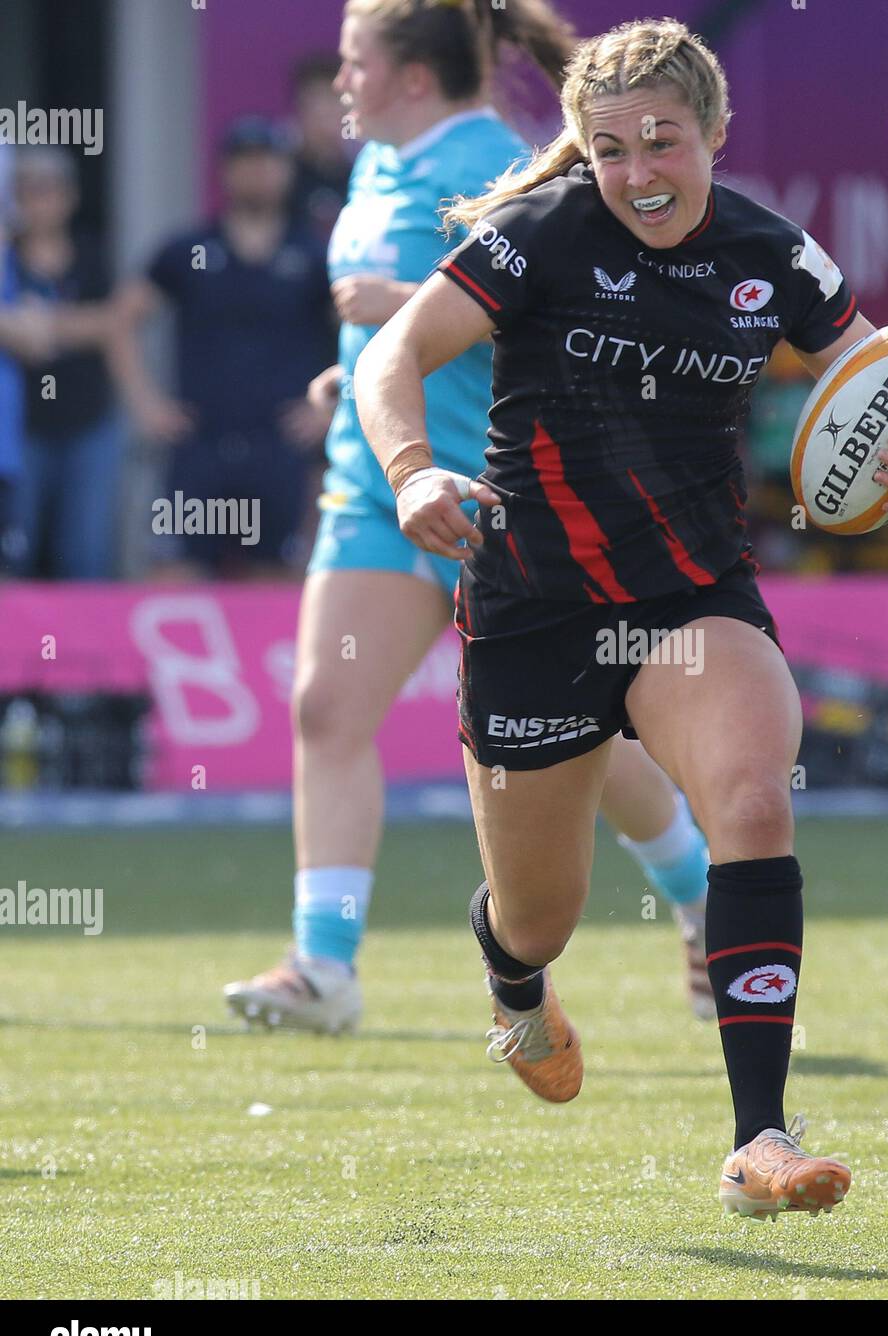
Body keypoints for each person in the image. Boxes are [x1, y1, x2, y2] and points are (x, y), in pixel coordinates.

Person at [355, 17, 888, 1217]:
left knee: (752, 801)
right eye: (610, 148)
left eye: (663, 141)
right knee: (542, 914)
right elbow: (388, 355)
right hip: (532, 606)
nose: (640, 170)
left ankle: (760, 1135)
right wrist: (409, 474)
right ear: (582, 152)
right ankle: (512, 982)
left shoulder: (774, 254)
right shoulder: (536, 234)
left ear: (712, 132)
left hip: (689, 597)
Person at [222, 0, 718, 1038]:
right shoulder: (376, 163)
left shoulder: (505, 165)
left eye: (356, 62)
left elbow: (574, 310)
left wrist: (401, 306)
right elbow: (397, 337)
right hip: (377, 483)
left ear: (410, 76)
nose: (338, 82)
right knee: (324, 708)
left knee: (575, 741)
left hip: (502, 493)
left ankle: (699, 892)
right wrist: (352, 374)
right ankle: (324, 964)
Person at [114, 117, 336, 579]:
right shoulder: (189, 249)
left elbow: (363, 334)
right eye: (245, 162)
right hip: (198, 445)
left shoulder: (314, 255)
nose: (257, 173)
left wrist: (330, 406)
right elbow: (121, 321)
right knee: (174, 576)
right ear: (225, 171)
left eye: (268, 162)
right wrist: (144, 403)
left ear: (287, 170)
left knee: (278, 580)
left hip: (279, 446)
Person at [9, 150, 124, 579]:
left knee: (86, 554)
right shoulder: (6, 258)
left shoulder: (92, 253)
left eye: (47, 189)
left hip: (88, 424)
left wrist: (40, 325)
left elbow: (112, 321)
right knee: (14, 549)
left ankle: (81, 648)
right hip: (18, 430)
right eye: (26, 190)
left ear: (69, 196)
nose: (37, 201)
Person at [289, 53, 357, 245]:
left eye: (333, 100)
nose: (324, 114)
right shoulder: (279, 177)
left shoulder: (369, 173)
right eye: (315, 102)